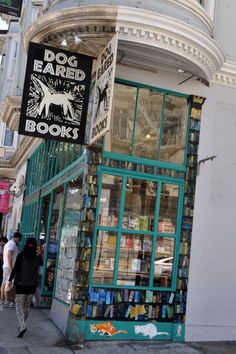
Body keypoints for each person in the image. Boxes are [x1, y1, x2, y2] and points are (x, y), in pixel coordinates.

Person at [8, 237, 43, 338]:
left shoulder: (21, 256)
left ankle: (23, 325)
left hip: (21, 285)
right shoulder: (38, 256)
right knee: (26, 307)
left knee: (19, 306)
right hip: (32, 286)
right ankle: (21, 324)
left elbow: (15, 270)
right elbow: (41, 266)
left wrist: (10, 280)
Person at [1, 232, 22, 306]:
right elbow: (9, 255)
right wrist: (11, 268)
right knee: (8, 283)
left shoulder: (8, 244)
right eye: (19, 240)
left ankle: (3, 300)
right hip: (9, 267)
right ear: (18, 238)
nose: (18, 241)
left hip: (6, 266)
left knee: (4, 283)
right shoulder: (12, 244)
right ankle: (7, 301)